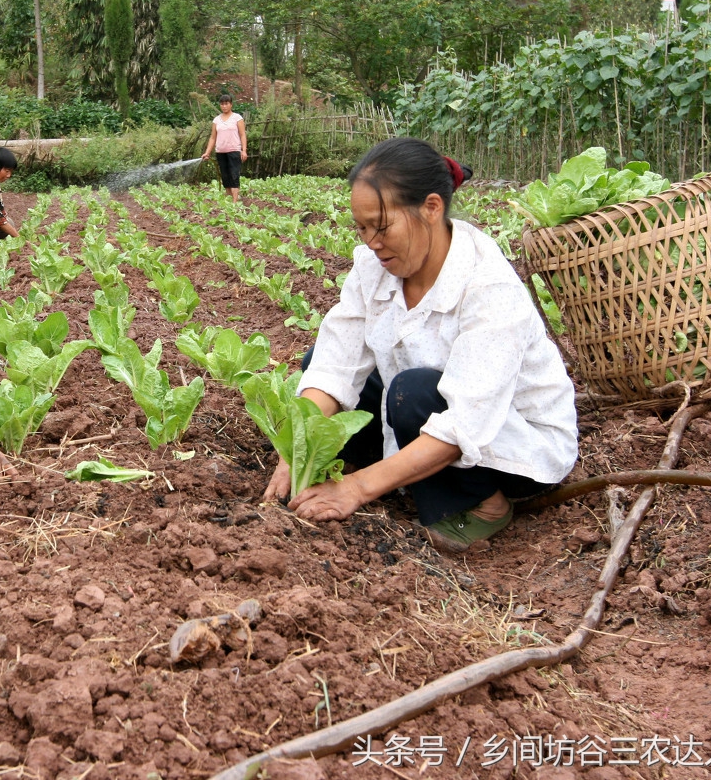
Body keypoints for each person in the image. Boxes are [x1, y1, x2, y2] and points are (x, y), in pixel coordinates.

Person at [263, 137, 578, 553]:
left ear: (431, 208)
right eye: (361, 228)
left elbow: (466, 420)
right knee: (316, 366)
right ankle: (403, 470)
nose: (372, 242)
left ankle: (485, 505)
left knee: (411, 393)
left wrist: (356, 489)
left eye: (382, 226)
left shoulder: (487, 283)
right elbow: (335, 363)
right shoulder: (374, 268)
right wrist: (296, 452)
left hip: (507, 444)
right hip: (412, 408)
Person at [201, 93, 247, 202]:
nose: (224, 106)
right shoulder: (216, 120)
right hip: (221, 152)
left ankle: (235, 201)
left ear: (231, 104)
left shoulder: (237, 118)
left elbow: (242, 134)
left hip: (234, 151)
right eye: (222, 104)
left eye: (226, 104)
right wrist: (207, 152)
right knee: (225, 176)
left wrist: (244, 150)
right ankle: (228, 197)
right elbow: (213, 138)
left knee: (234, 175)